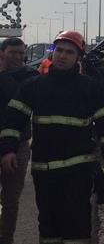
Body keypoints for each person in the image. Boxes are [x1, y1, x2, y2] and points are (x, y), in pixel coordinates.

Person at [0, 31, 104, 244]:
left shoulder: (90, 88)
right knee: (48, 227)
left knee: (77, 227)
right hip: (44, 172)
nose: (62, 56)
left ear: (78, 57)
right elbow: (13, 121)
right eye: (59, 50)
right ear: (52, 53)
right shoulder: (34, 86)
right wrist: (8, 149)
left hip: (77, 172)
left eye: (69, 52)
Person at [0, 38, 38, 244]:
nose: (18, 57)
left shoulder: (29, 76)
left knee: (11, 199)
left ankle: (6, 239)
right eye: (13, 52)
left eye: (21, 53)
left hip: (18, 145)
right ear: (2, 53)